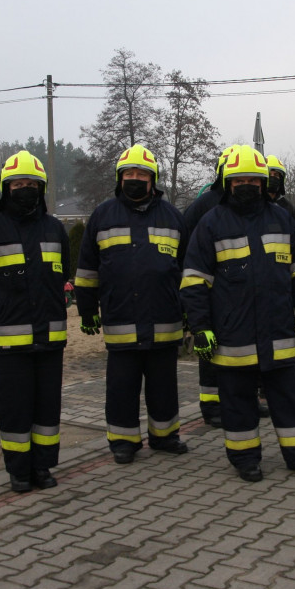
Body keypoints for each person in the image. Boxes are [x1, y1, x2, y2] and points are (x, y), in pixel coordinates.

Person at [181, 144, 295, 482]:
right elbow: (193, 281)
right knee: (237, 402)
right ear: (227, 183)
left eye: (253, 180)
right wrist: (201, 327)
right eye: (239, 179)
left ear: (263, 183)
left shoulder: (282, 218)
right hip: (233, 336)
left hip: (278, 331)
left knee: (290, 398)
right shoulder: (211, 223)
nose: (246, 185)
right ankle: (245, 460)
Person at [0, 150, 69, 492]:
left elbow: (62, 270)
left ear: (42, 188)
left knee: (46, 409)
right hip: (10, 343)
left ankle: (43, 468)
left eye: (31, 184)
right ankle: (19, 471)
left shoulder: (55, 229)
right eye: (17, 183)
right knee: (14, 410)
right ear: (5, 188)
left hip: (50, 339)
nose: (24, 189)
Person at [74, 144, 190, 464]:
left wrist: (191, 311)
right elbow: (87, 267)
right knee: (122, 387)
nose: (135, 179)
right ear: (119, 178)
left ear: (153, 180)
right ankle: (124, 442)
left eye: (142, 174)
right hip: (120, 317)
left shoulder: (173, 217)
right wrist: (86, 309)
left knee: (163, 386)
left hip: (164, 319)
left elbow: (188, 270)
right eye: (129, 174)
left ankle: (165, 436)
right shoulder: (103, 215)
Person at [184, 145, 241, 428]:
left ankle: (245, 401)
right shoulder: (206, 204)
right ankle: (211, 406)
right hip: (211, 288)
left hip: (239, 290)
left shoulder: (245, 203)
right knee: (210, 348)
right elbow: (186, 243)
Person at [265, 154, 295, 219]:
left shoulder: (287, 207)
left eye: (276, 175)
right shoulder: (256, 204)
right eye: (269, 174)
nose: (272, 177)